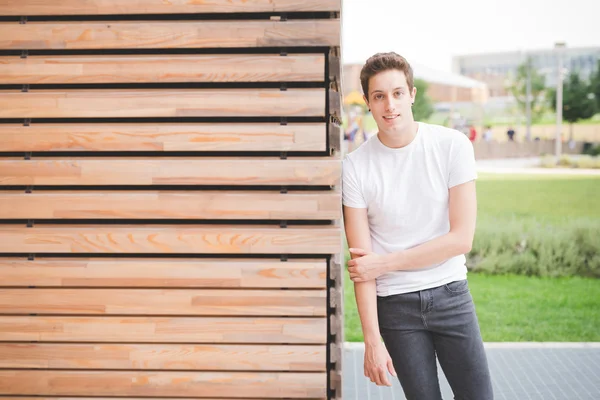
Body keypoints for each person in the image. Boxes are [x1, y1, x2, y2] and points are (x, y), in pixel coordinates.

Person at [342, 52, 493, 400]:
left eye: (397, 93)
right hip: (395, 308)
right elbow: (363, 266)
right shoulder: (355, 168)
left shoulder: (451, 146)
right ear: (367, 102)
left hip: (450, 293)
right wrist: (371, 341)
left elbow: (461, 239)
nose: (389, 104)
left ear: (412, 94)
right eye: (378, 96)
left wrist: (386, 263)